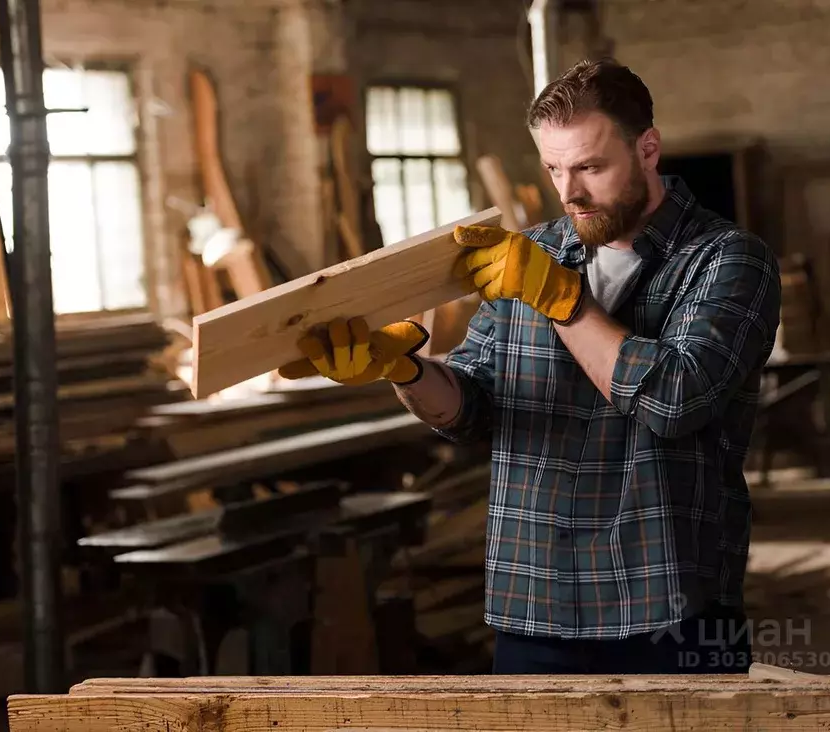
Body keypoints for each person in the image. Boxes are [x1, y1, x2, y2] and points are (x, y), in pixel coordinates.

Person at [278, 58, 781, 674]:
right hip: (534, 602)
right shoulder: (535, 254)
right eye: (553, 168)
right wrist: (403, 370)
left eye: (591, 167)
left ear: (648, 150)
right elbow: (472, 409)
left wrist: (565, 302)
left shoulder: (730, 259)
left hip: (669, 604)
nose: (569, 192)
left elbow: (675, 402)